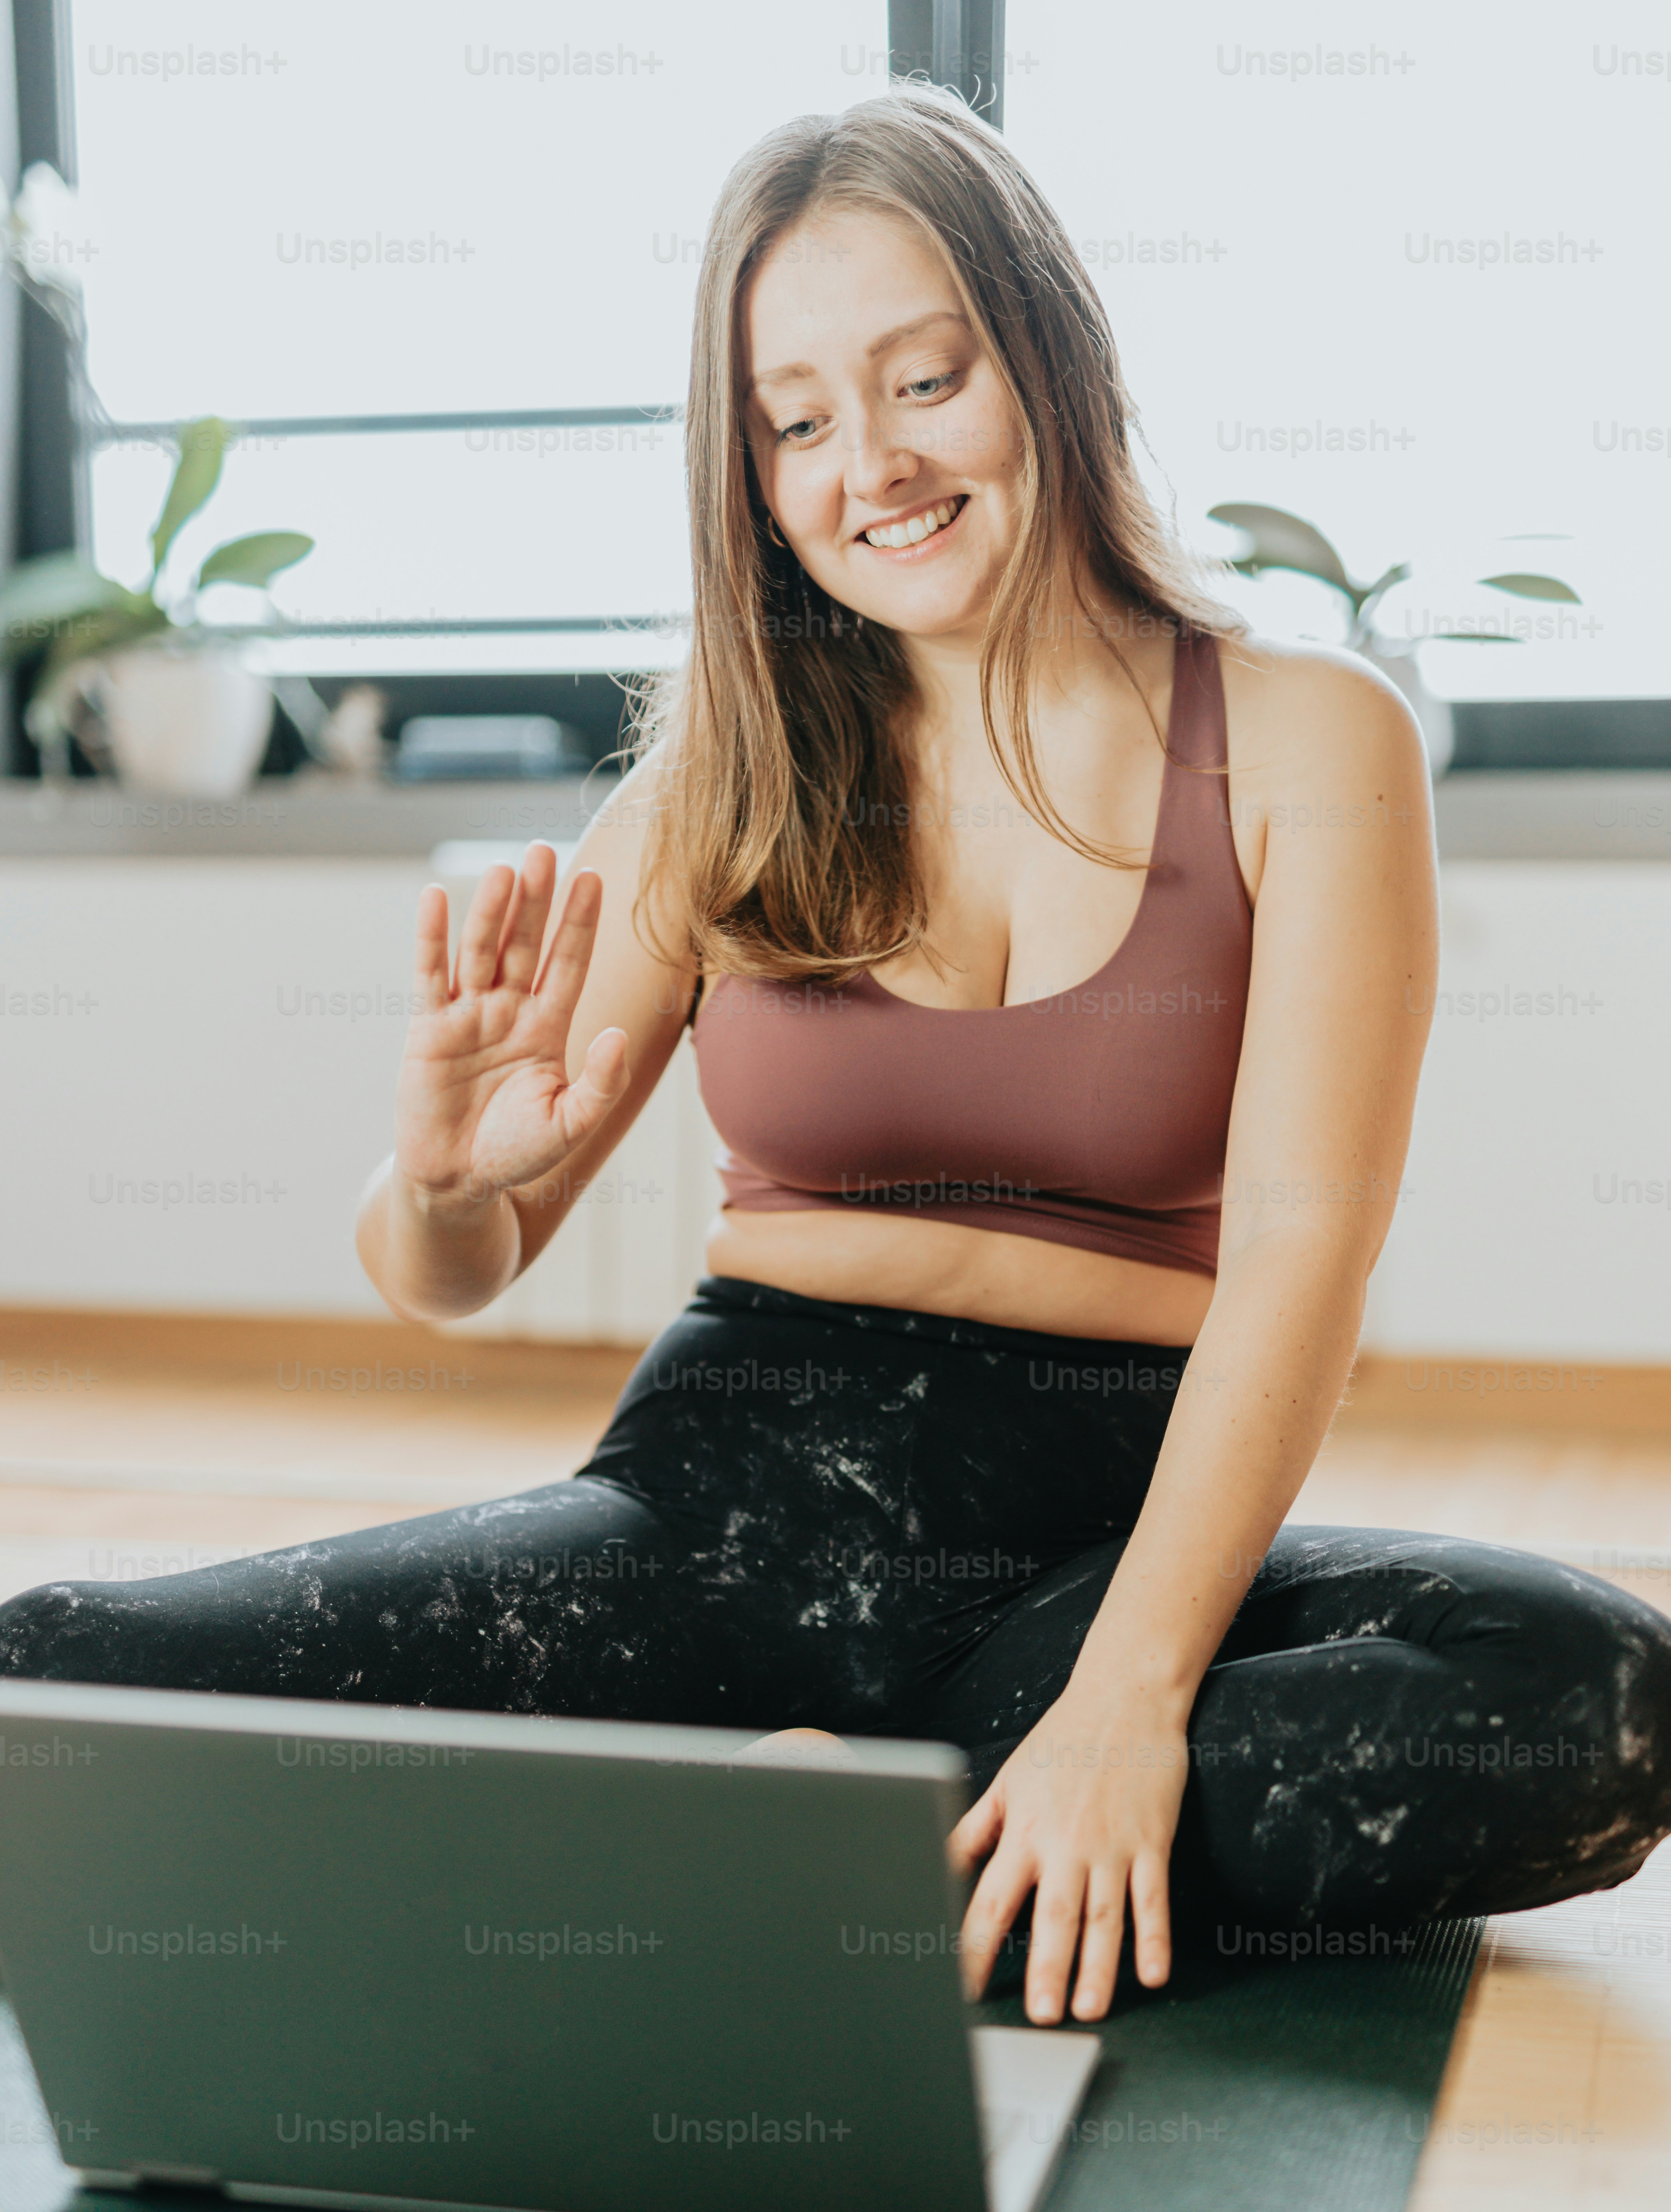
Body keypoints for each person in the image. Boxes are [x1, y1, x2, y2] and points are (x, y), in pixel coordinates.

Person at [4, 89, 1667, 2028]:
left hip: (1099, 1560)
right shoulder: (715, 786)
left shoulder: (1309, 741)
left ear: (1045, 352)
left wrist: (1131, 1698)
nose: (866, 461)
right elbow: (450, 1272)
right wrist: (447, 1178)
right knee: (51, 1668)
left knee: (1597, 1693)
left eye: (923, 378)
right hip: (720, 1520)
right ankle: (844, 1860)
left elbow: (1302, 1264)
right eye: (794, 420)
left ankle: (743, 1846)